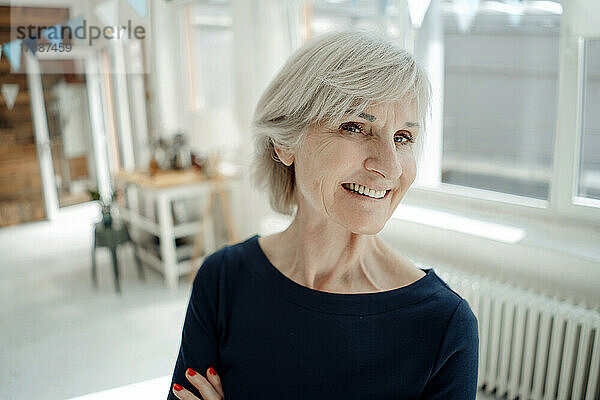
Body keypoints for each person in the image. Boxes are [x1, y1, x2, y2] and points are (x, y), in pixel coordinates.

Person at [167, 30, 479, 400]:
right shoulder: (222, 280)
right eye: (355, 127)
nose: (391, 167)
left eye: (403, 138)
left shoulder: (444, 325)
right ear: (285, 141)